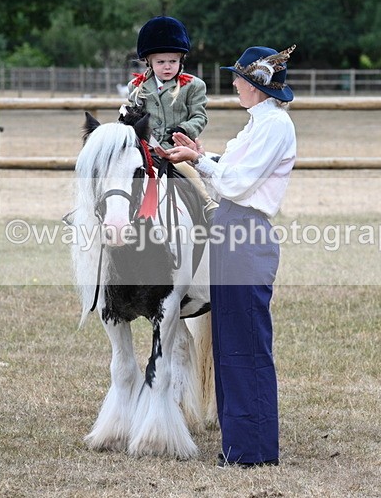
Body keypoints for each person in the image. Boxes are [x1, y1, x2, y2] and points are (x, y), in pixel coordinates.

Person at [156, 44, 298, 468]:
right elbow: (226, 168)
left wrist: (201, 160)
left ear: (256, 85)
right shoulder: (257, 124)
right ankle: (240, 446)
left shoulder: (275, 127)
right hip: (229, 233)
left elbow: (236, 183)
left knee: (247, 346)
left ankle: (253, 451)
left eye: (239, 78)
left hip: (245, 233)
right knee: (230, 345)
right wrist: (195, 157)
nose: (233, 83)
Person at [128, 16, 216, 220]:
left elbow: (199, 116)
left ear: (181, 60)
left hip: (177, 149)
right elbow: (134, 115)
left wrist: (185, 130)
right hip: (146, 149)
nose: (167, 67)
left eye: (173, 61)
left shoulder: (193, 86)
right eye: (161, 62)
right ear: (148, 61)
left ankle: (207, 202)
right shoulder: (136, 87)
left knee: (187, 170)